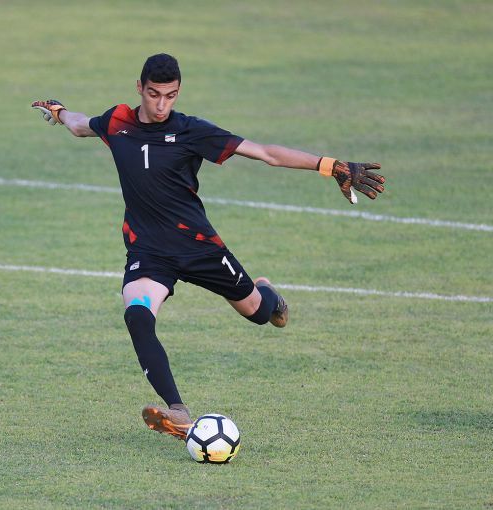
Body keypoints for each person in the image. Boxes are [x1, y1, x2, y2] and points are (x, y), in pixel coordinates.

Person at [32, 53, 385, 440]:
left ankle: (269, 295)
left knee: (258, 313)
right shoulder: (117, 121)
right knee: (137, 315)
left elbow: (266, 153)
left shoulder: (191, 131)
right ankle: (178, 411)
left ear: (178, 92)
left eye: (170, 96)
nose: (161, 105)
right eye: (153, 94)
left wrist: (330, 165)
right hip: (148, 251)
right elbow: (80, 125)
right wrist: (60, 111)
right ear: (139, 88)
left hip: (200, 247)